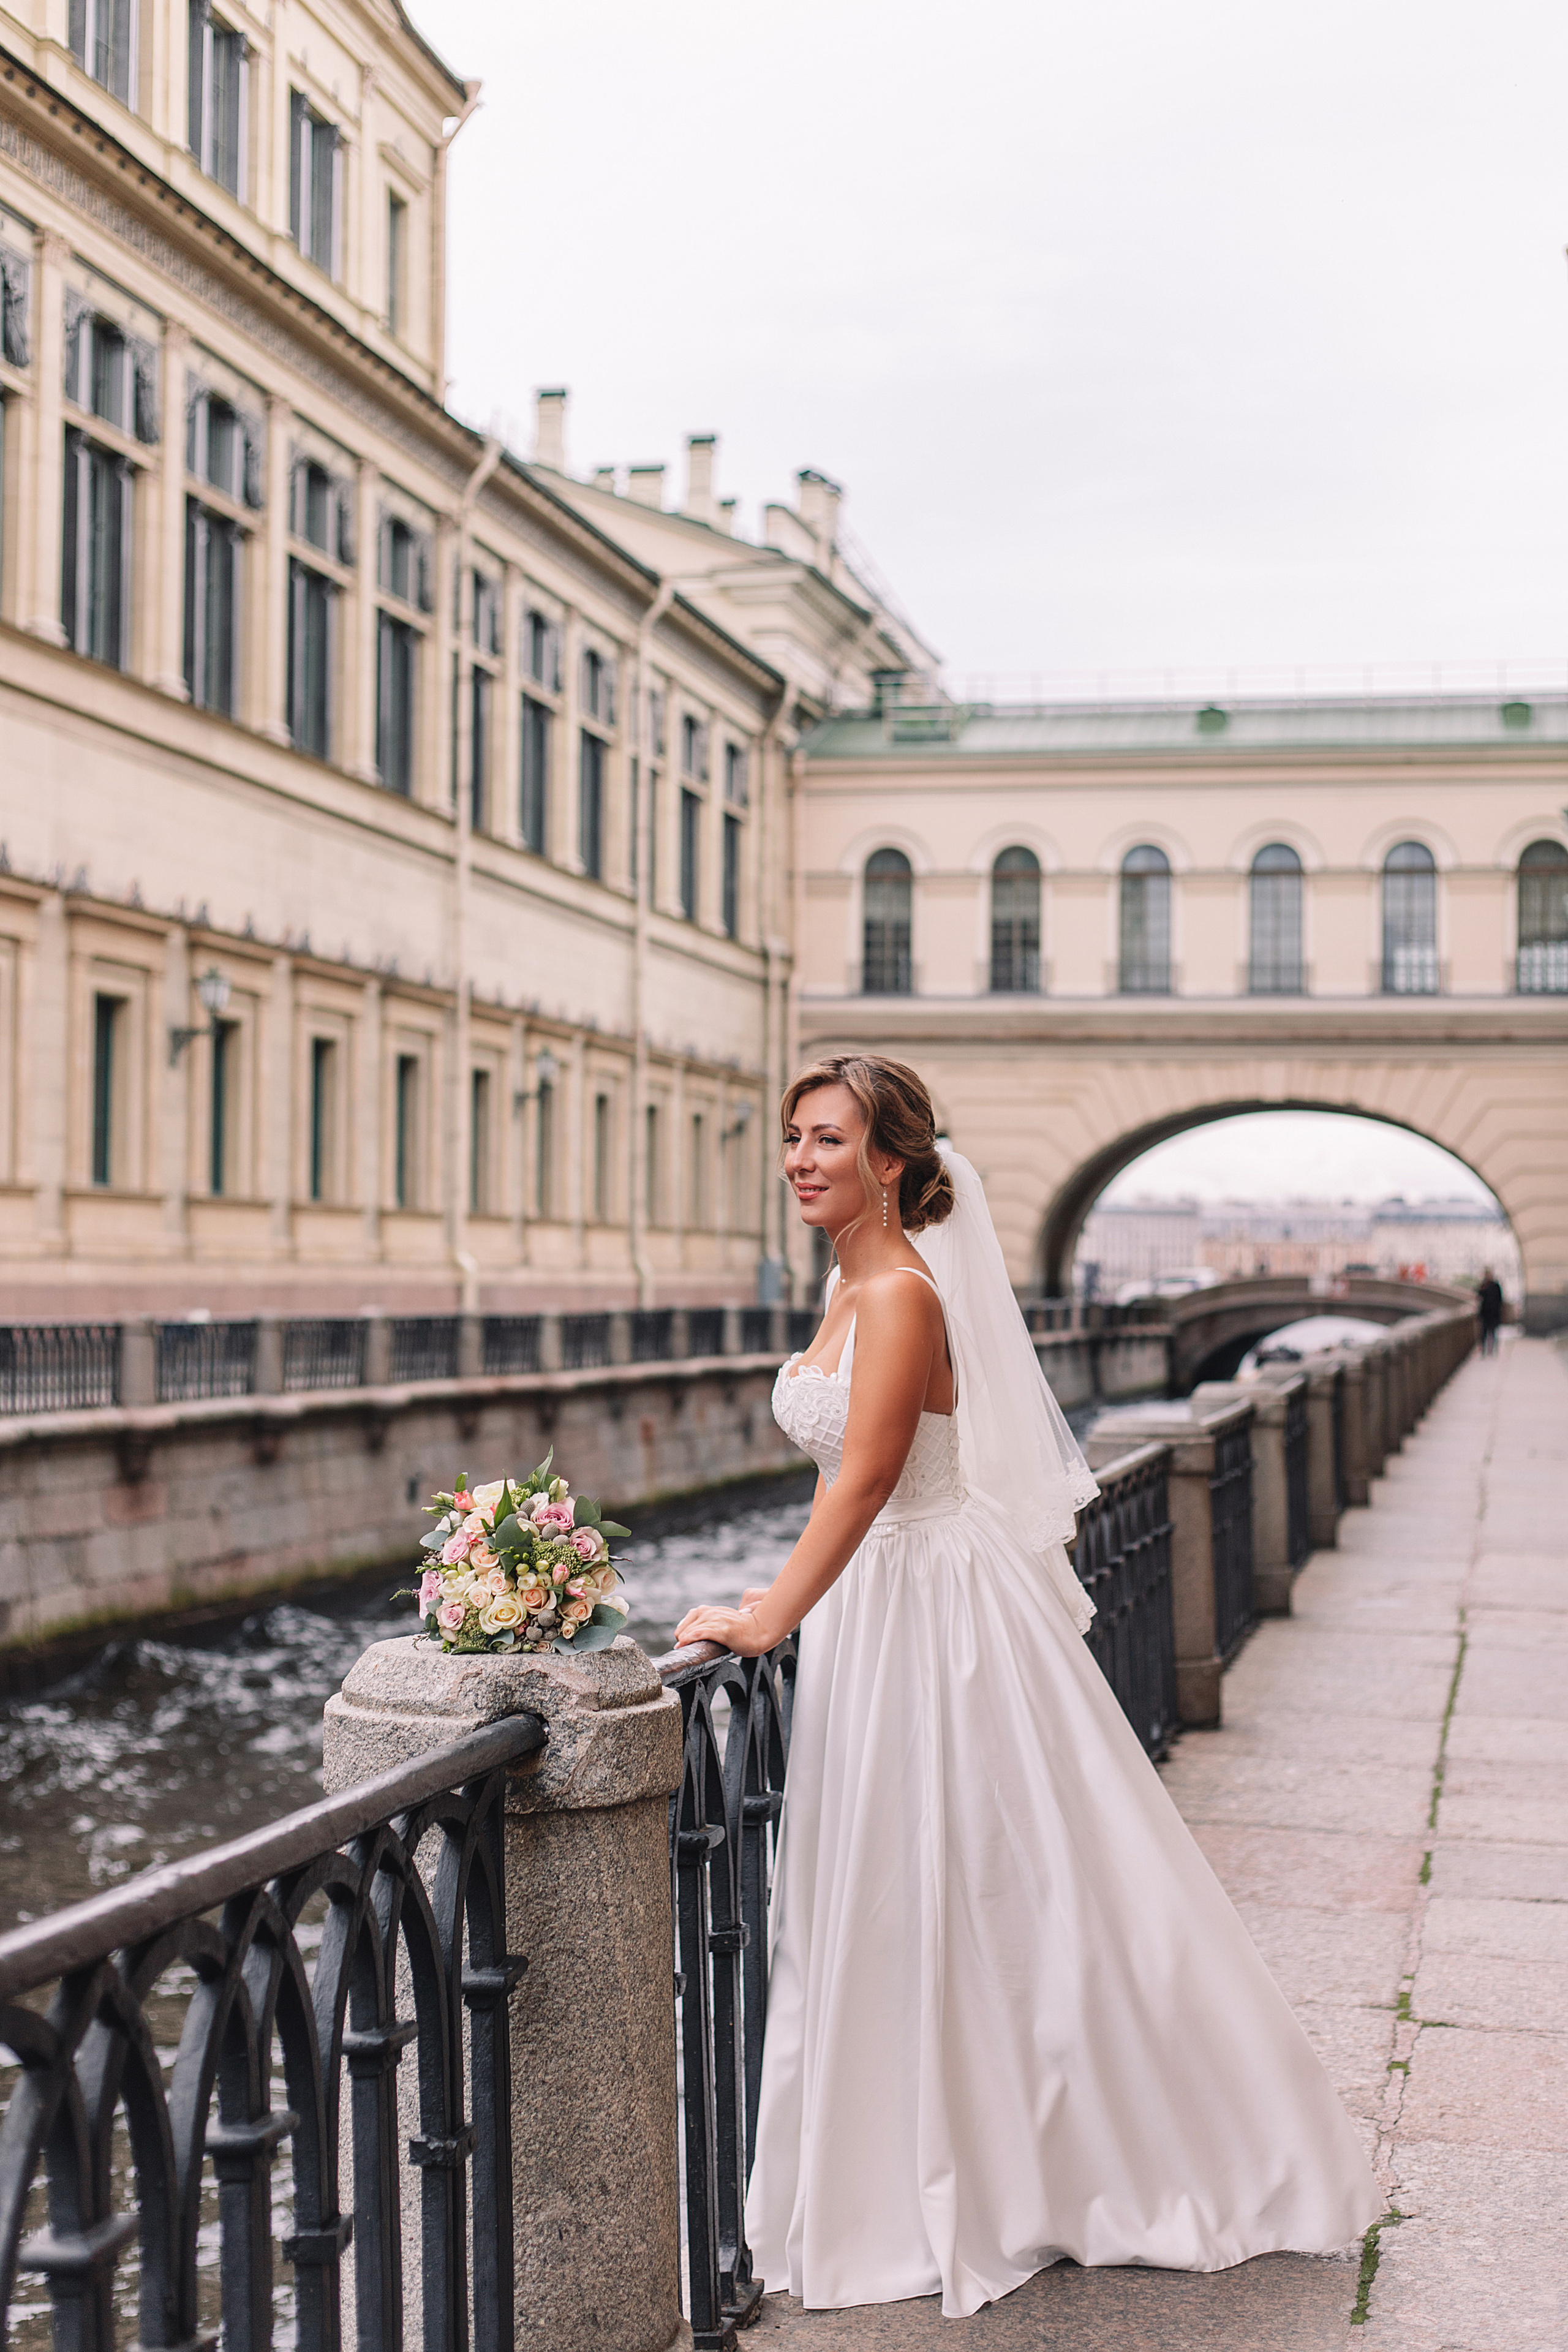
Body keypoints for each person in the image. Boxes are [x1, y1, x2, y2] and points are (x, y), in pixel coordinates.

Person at [676, 1052, 1382, 2321]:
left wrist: (766, 1613)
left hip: (925, 1611)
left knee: (966, 1880)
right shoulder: (852, 1282)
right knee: (904, 1885)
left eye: (827, 1140)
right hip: (880, 1608)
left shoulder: (897, 1294)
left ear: (889, 1161)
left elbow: (869, 1477)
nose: (799, 1159)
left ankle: (1019, 2160)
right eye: (791, 1137)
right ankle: (907, 2152)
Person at [1476, 1268, 1504, 1355]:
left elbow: (1500, 1299)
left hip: (1494, 1313)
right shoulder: (1484, 1285)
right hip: (1485, 1313)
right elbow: (1480, 1295)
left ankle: (1493, 1350)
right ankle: (1484, 1350)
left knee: (1493, 1332)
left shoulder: (1495, 1285)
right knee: (1484, 1332)